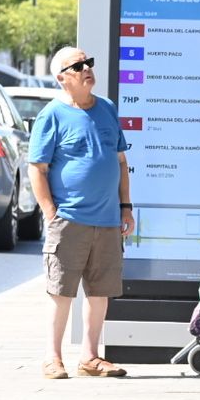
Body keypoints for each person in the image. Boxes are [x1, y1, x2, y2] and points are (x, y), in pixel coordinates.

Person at [28, 44, 135, 381]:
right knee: (61, 291)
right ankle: (53, 357)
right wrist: (50, 212)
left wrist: (126, 207)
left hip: (107, 220)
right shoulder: (52, 115)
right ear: (62, 78)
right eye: (78, 66)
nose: (87, 68)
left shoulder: (106, 109)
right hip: (69, 220)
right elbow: (37, 168)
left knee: (100, 291)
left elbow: (120, 161)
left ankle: (90, 357)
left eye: (88, 62)